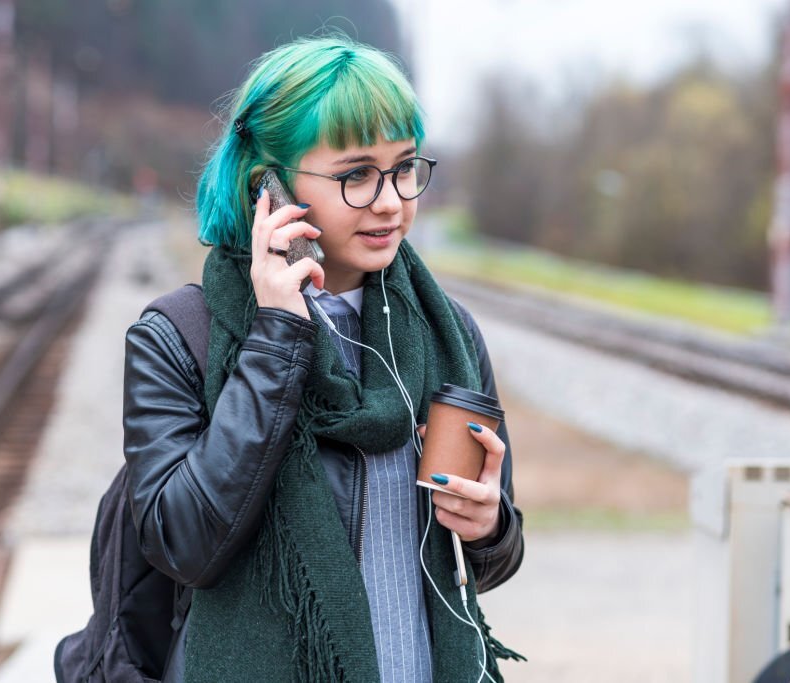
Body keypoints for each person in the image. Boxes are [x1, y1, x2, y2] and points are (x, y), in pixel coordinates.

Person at [122, 33, 524, 682]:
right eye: (357, 175)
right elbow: (184, 544)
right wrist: (278, 333)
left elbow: (494, 560)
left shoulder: (448, 335)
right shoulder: (177, 337)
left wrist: (490, 526)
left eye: (405, 167)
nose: (392, 200)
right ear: (270, 188)